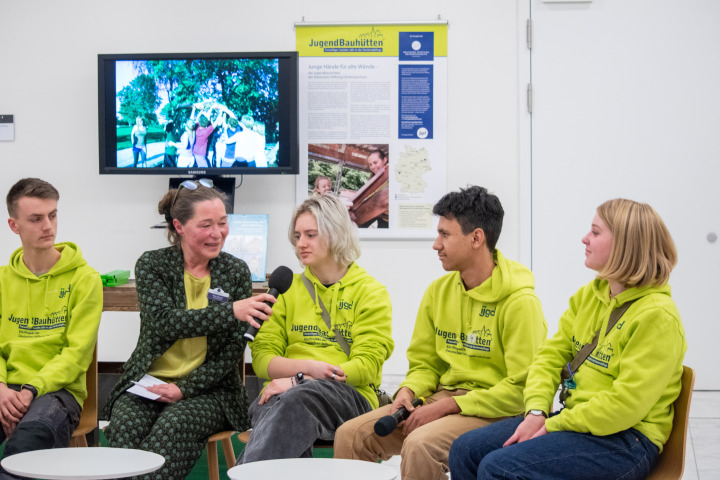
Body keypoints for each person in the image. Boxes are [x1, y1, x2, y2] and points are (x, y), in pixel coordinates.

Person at [449, 198, 686, 480]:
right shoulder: (591, 294)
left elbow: (625, 405)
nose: (584, 238)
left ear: (626, 244)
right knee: (465, 449)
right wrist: (536, 411)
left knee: (499, 468)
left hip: (627, 441)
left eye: (596, 232)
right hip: (579, 423)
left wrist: (554, 425)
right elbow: (549, 357)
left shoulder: (658, 317)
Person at [334, 185, 546, 480]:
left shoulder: (520, 303)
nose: (436, 244)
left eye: (445, 234)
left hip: (495, 410)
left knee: (421, 444)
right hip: (441, 398)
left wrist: (449, 406)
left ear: (476, 238)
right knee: (351, 435)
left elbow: (523, 391)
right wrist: (408, 391)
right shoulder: (438, 292)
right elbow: (425, 364)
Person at [102, 179, 276, 479]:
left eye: (222, 223)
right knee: (125, 430)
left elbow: (231, 353)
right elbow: (164, 323)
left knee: (173, 427)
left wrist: (184, 388)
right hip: (148, 384)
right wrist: (230, 310)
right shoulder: (153, 265)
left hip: (211, 391)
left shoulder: (235, 271)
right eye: (206, 224)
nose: (217, 233)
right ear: (179, 226)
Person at [238, 194, 394, 464]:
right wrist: (307, 370)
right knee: (279, 405)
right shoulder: (286, 289)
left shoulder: (370, 292)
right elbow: (262, 359)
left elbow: (367, 365)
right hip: (286, 393)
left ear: (336, 234)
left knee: (295, 400)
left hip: (352, 396)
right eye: (297, 236)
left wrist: (303, 380)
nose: (301, 244)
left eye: (311, 234)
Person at [0, 178, 103, 478]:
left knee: (25, 449)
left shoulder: (85, 279)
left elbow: (76, 355)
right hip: (6, 389)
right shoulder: (3, 279)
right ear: (13, 225)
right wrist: (2, 389)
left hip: (57, 393)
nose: (48, 226)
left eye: (53, 215)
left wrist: (31, 390)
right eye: (36, 219)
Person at [351, 149, 389, 228]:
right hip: (377, 214)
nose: (373, 167)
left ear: (384, 160)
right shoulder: (374, 180)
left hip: (388, 220)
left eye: (375, 162)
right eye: (370, 164)